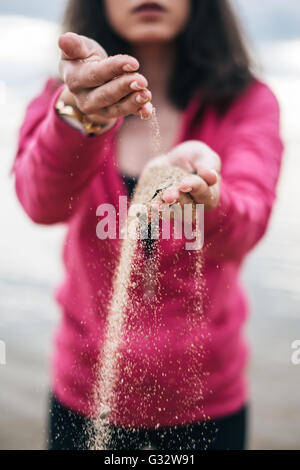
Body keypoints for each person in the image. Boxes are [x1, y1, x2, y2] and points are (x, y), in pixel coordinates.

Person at [13, 0, 283, 450]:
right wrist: (81, 119)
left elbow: (248, 225)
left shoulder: (246, 102)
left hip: (206, 401)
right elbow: (40, 203)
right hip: (86, 394)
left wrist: (209, 199)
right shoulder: (63, 101)